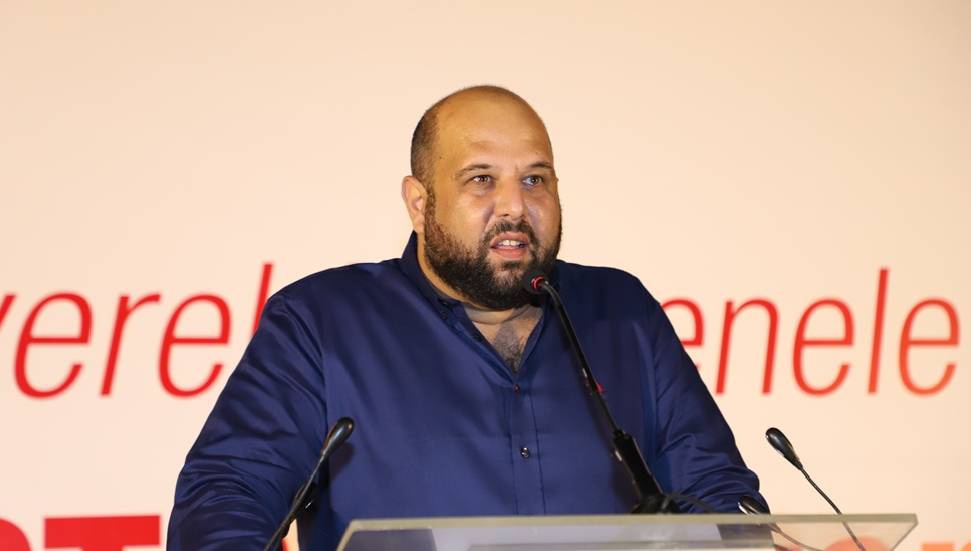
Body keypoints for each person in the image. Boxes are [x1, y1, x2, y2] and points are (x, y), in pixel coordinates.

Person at [167, 86, 766, 550]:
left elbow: (718, 494)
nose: (515, 206)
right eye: (482, 180)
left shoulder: (621, 311)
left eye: (535, 179)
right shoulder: (320, 323)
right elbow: (226, 497)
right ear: (419, 202)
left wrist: (739, 534)